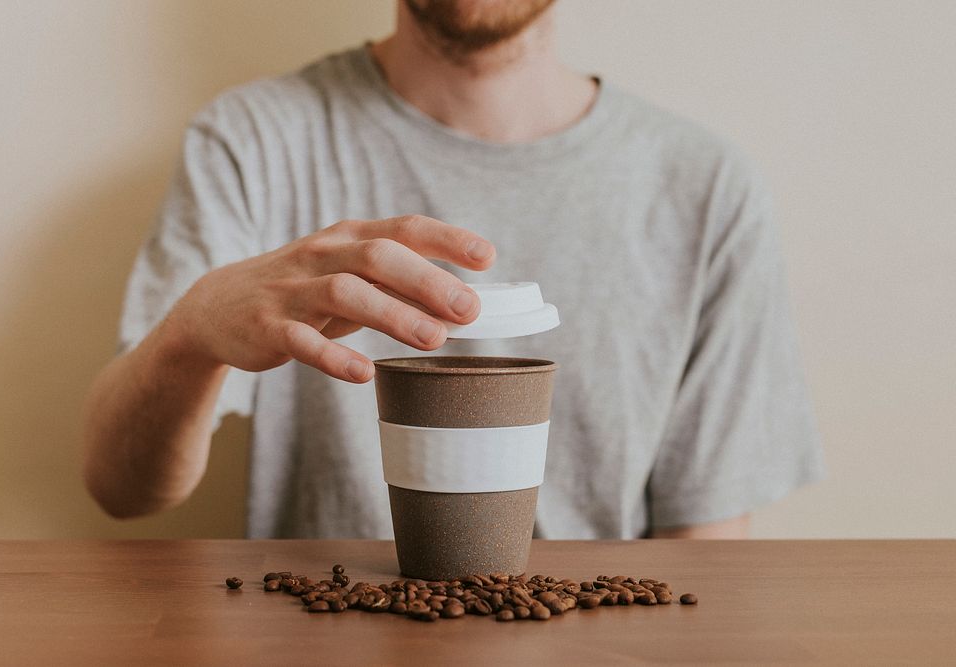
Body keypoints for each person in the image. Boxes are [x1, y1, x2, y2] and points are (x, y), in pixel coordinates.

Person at [82, 0, 824, 539]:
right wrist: (188, 335)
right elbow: (121, 490)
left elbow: (706, 545)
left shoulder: (707, 189)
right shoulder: (251, 142)